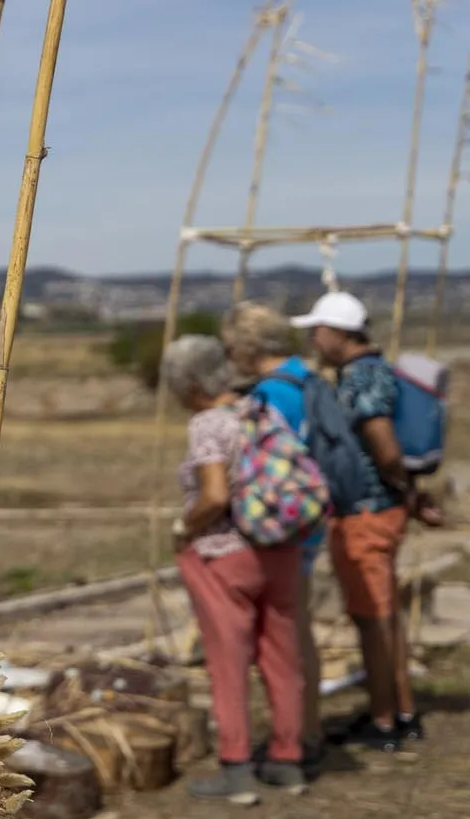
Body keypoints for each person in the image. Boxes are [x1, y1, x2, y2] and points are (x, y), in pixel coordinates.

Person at [162, 335, 304, 804]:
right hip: (280, 547)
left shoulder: (208, 423)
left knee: (228, 662)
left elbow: (215, 495)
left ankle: (236, 767)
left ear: (190, 385)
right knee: (282, 658)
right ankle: (287, 760)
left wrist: (184, 527)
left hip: (224, 554)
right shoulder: (262, 411)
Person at [291, 291, 422, 751]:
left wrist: (401, 486)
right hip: (379, 507)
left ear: (339, 333)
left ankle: (384, 720)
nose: (313, 339)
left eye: (318, 330)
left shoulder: (360, 379)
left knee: (373, 617)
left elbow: (381, 440)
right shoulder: (375, 371)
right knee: (385, 614)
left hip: (365, 510)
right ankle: (401, 708)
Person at [221, 301, 325, 768]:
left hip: (283, 527)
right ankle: (307, 728)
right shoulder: (306, 378)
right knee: (299, 628)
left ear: (248, 346)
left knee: (289, 637)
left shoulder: (270, 394)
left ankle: (299, 736)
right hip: (310, 516)